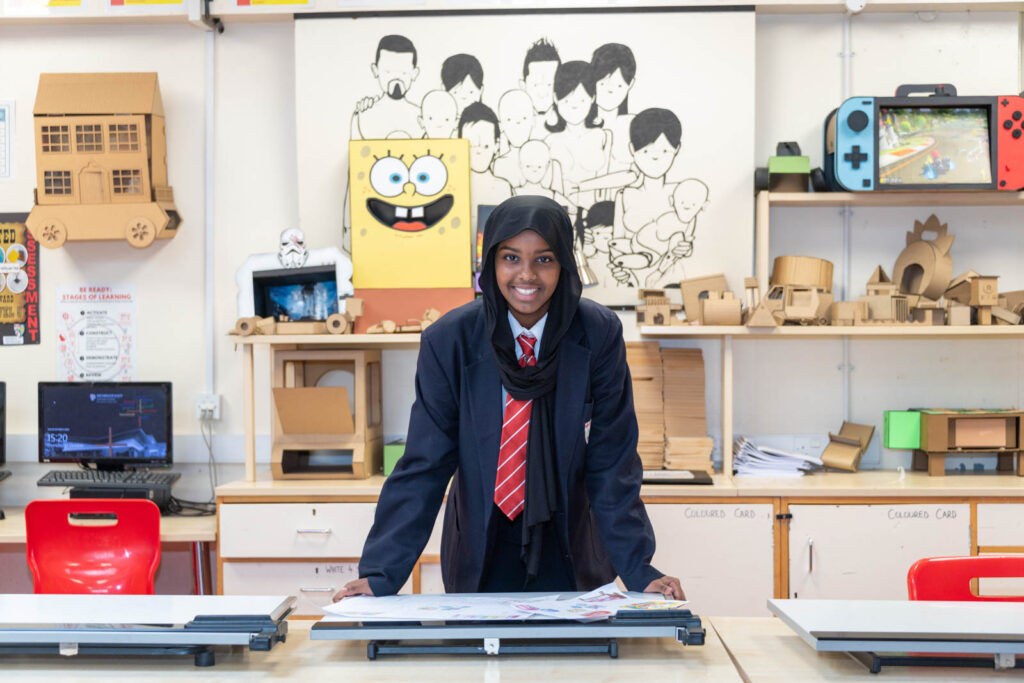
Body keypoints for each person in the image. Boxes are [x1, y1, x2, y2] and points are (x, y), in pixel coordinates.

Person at [333, 195, 683, 599]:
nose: (527, 275)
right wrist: (380, 574)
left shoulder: (598, 334)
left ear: (565, 263)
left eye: (545, 259)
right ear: (491, 264)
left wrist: (640, 570)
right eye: (511, 258)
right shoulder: (450, 340)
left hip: (572, 547)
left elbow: (612, 463)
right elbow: (424, 466)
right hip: (480, 546)